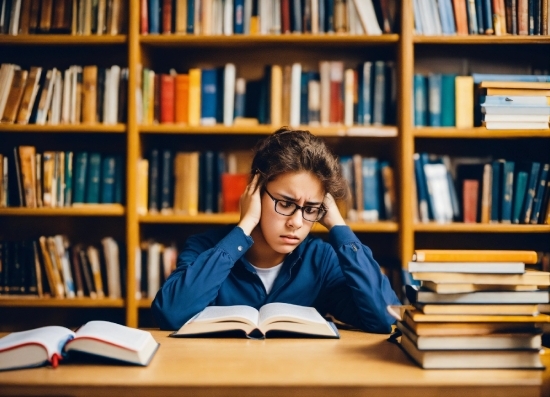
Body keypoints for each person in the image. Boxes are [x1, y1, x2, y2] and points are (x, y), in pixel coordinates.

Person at [152, 127, 401, 332]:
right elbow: (170, 313)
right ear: (256, 192)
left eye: (311, 209)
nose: (296, 222)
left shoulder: (321, 260)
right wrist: (245, 225)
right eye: (285, 203)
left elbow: (385, 318)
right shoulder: (205, 248)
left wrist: (339, 226)